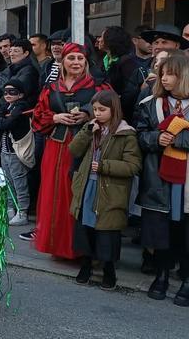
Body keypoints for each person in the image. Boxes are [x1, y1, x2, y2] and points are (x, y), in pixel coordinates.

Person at [24, 43, 110, 252]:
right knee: (54, 195)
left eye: (80, 59)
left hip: (88, 148)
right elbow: (37, 116)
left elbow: (113, 109)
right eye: (71, 58)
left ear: (86, 62)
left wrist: (89, 115)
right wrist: (55, 117)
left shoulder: (99, 86)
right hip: (56, 148)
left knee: (79, 195)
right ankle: (57, 246)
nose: (76, 63)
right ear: (63, 61)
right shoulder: (51, 88)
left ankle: (79, 250)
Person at [68, 89, 141, 290]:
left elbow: (133, 166)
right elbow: (73, 150)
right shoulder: (91, 128)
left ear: (113, 110)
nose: (97, 113)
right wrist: (85, 131)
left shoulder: (126, 134)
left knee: (107, 232)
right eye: (95, 109)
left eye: (102, 109)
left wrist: (104, 166)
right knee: (85, 227)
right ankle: (86, 265)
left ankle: (109, 270)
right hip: (87, 186)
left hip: (110, 190)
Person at [135, 53, 189, 304]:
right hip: (159, 177)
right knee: (161, 229)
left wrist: (178, 139)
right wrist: (155, 139)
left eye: (171, 74)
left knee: (186, 229)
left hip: (187, 180)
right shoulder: (150, 103)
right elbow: (138, 136)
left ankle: (187, 279)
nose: (165, 79)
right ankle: (162, 274)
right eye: (163, 73)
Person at [0, 79, 34, 226]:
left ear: (21, 94)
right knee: (8, 182)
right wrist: (1, 119)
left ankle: (22, 212)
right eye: (5, 92)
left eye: (12, 92)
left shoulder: (21, 106)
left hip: (16, 152)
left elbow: (7, 124)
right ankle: (10, 208)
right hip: (4, 151)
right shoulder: (5, 106)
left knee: (19, 182)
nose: (8, 94)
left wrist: (0, 120)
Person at [101, 26, 144, 124]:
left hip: (124, 115)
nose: (99, 40)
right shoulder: (105, 60)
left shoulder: (127, 63)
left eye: (103, 37)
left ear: (111, 40)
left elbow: (130, 92)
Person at [5, 38, 40, 105]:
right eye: (10, 51)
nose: (11, 54)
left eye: (16, 51)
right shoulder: (13, 69)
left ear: (26, 53)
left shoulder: (29, 71)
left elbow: (16, 91)